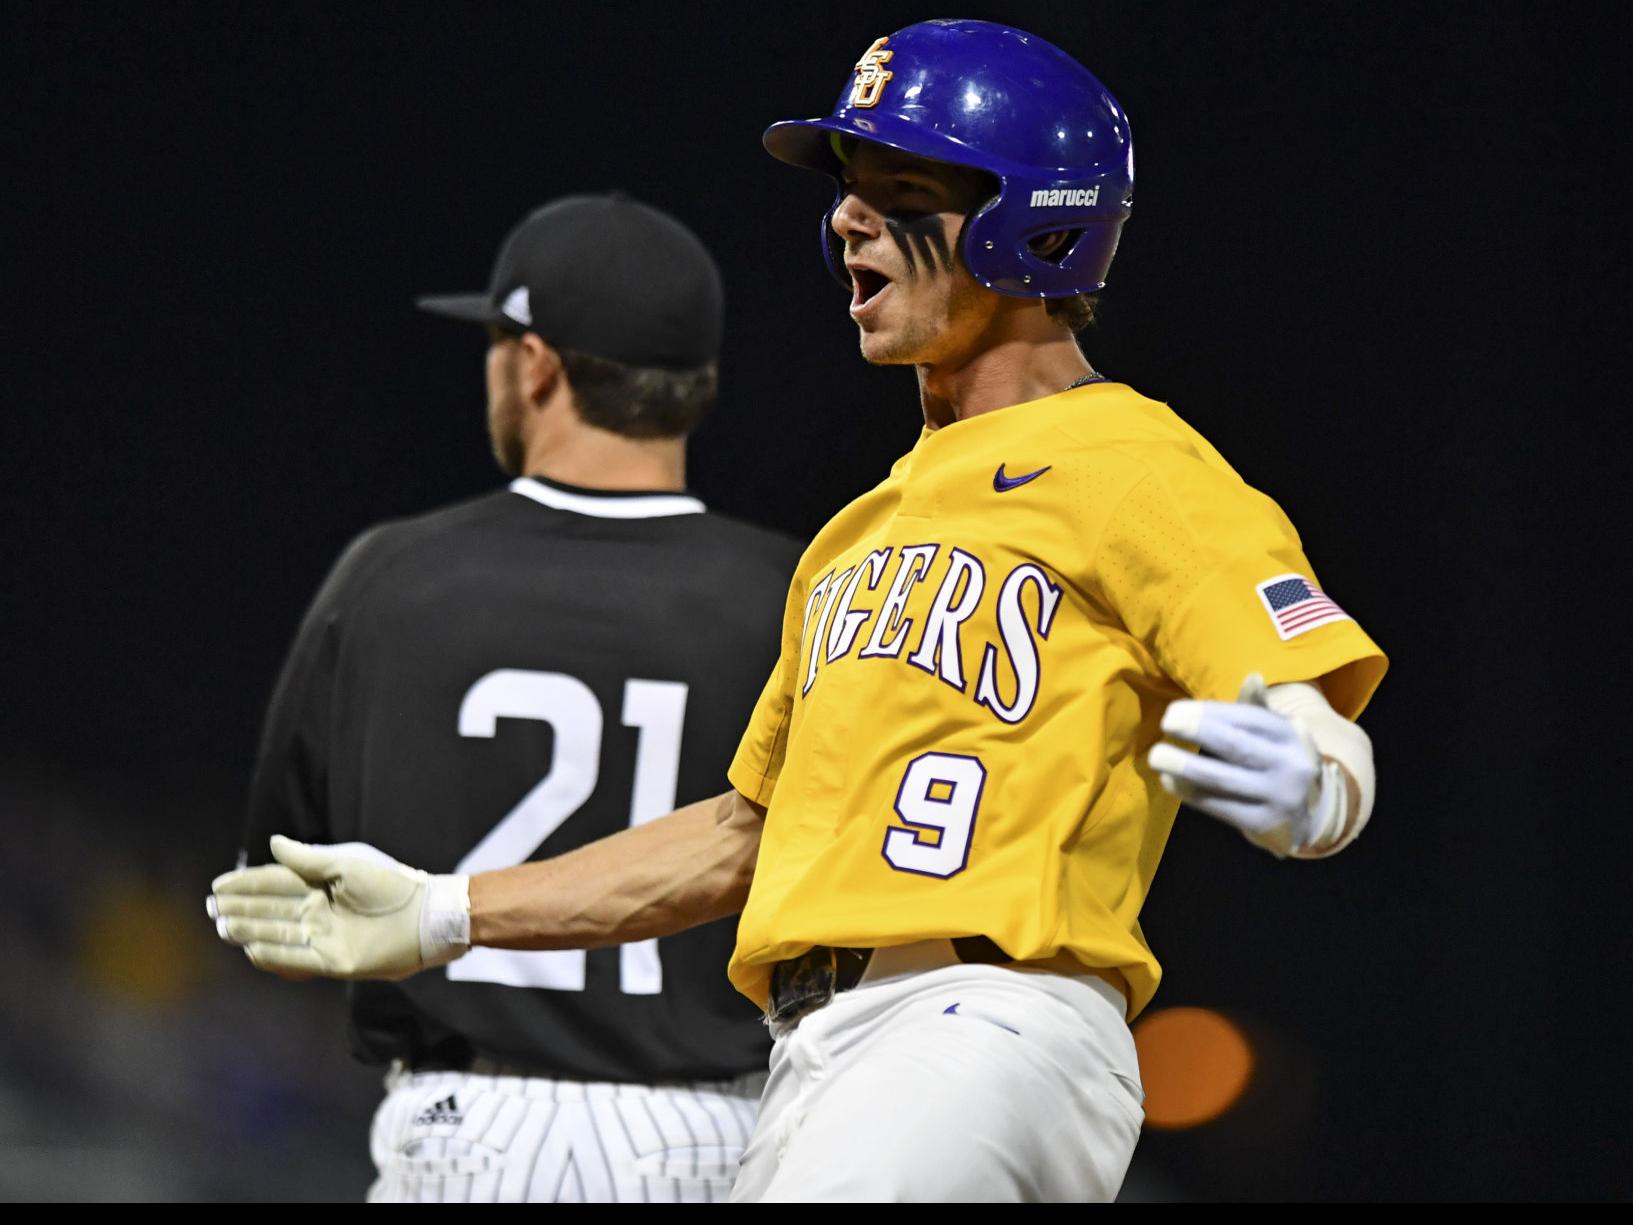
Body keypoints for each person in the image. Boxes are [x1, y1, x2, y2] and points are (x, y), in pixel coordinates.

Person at [211, 21, 1386, 1203]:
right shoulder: (859, 530)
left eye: (901, 189)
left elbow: (1305, 705)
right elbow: (744, 833)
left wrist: (1317, 781)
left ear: (1032, 225)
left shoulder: (1134, 464)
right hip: (818, 1054)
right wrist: (442, 910)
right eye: (850, 192)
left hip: (982, 1019)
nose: (846, 220)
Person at [227, 194, 801, 1202]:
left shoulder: (390, 577)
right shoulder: (798, 595)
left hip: (469, 1127)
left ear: (535, 363)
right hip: (724, 1129)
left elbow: (280, 918)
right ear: (696, 382)